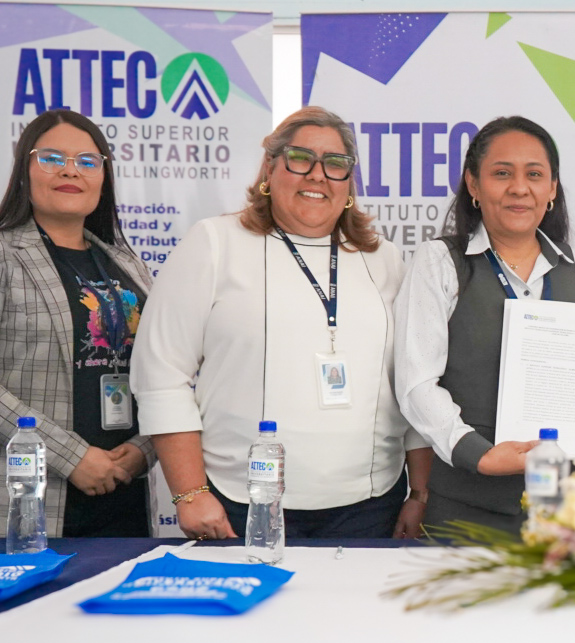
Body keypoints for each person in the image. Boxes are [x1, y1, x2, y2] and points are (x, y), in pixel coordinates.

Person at [130, 107, 430, 540]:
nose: (317, 175)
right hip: (242, 502)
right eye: (300, 158)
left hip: (370, 506)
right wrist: (189, 493)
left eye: (335, 164)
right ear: (269, 170)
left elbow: (412, 382)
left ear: (349, 184)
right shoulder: (214, 243)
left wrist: (419, 492)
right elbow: (160, 373)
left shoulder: (385, 258)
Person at [0, 109, 154, 538]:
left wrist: (143, 451)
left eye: (88, 162)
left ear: (103, 178)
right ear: (24, 171)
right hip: (13, 497)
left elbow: (161, 372)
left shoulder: (129, 265)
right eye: (52, 158)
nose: (71, 170)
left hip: (122, 495)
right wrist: (71, 457)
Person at [395, 116, 575, 536]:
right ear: (473, 184)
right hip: (467, 504)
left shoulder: (573, 266)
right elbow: (416, 384)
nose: (520, 188)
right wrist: (479, 455)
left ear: (552, 189)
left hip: (560, 509)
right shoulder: (439, 261)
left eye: (535, 175)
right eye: (502, 173)